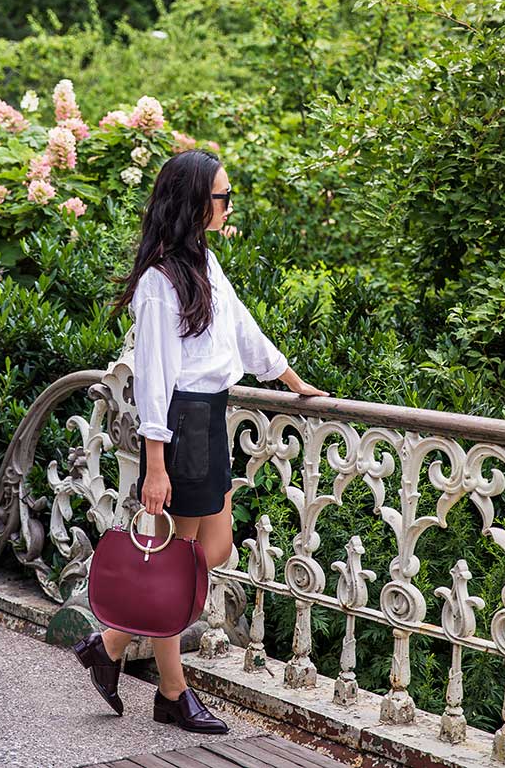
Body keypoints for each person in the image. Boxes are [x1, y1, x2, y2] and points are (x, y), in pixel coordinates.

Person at [73, 147, 331, 732]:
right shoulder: (161, 282)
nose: (228, 205)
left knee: (214, 549)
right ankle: (171, 692)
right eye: (222, 196)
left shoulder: (204, 264)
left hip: (210, 419)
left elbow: (242, 329)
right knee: (179, 566)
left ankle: (108, 644)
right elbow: (156, 378)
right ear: (194, 202)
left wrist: (292, 382)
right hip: (180, 426)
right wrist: (156, 464)